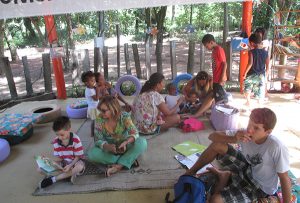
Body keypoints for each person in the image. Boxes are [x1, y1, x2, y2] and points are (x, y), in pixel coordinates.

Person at [185, 108, 291, 203]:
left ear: (268, 132)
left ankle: (224, 176)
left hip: (259, 188)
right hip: (246, 169)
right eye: (249, 123)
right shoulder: (243, 133)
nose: (249, 129)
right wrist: (233, 139)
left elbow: (284, 178)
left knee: (215, 200)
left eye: (256, 128)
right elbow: (212, 136)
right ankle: (191, 172)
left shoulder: (276, 147)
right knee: (217, 145)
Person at [88, 96, 147, 176]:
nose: (101, 113)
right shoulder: (99, 119)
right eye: (100, 110)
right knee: (92, 154)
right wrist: (106, 146)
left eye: (104, 111)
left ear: (113, 109)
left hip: (125, 146)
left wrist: (126, 142)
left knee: (142, 142)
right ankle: (127, 160)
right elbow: (98, 139)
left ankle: (119, 165)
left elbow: (135, 132)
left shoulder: (124, 116)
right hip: (109, 150)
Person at [38, 116, 85, 188]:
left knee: (79, 167)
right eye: (57, 134)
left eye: (62, 135)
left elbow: (78, 157)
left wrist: (70, 165)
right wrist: (48, 159)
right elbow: (59, 158)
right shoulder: (56, 142)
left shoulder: (76, 140)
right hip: (63, 163)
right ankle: (68, 175)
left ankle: (54, 179)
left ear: (69, 129)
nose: (59, 137)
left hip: (75, 162)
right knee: (39, 169)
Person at [243, 33, 270, 106]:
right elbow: (268, 66)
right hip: (261, 75)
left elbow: (250, 63)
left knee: (248, 88)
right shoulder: (266, 53)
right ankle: (259, 104)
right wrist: (266, 77)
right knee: (260, 90)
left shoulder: (251, 52)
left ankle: (248, 102)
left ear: (251, 43)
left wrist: (245, 73)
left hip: (251, 74)